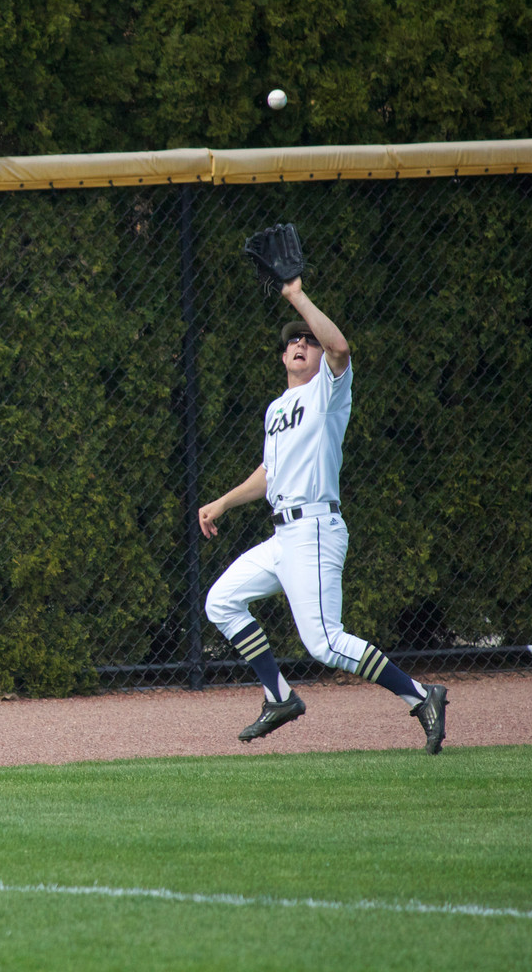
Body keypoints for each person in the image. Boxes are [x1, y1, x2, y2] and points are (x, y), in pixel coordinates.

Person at [198, 276, 448, 754]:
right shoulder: (276, 408)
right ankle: (279, 695)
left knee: (325, 644)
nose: (300, 343)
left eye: (307, 340)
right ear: (282, 355)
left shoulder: (328, 394)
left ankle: (421, 696)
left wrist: (296, 295)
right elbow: (269, 473)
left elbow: (340, 346)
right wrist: (224, 502)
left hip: (314, 528)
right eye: (293, 339)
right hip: (283, 536)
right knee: (221, 601)